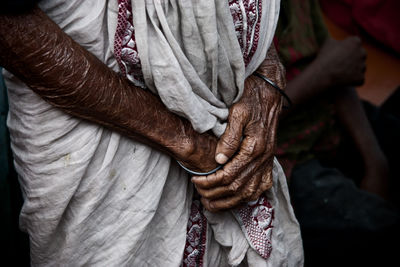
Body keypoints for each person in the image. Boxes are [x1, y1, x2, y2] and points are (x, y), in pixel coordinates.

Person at [0, 0, 303, 266]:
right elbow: (9, 24)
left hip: (229, 123)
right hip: (102, 146)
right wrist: (185, 141)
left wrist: (265, 68)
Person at [273, 0, 400, 266]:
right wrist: (323, 73)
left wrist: (376, 163)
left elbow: (337, 64)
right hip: (278, 161)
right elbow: (227, 131)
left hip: (328, 118)